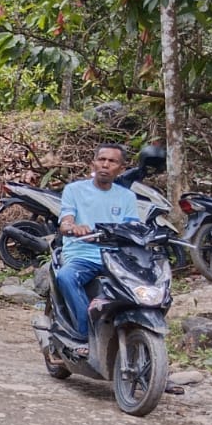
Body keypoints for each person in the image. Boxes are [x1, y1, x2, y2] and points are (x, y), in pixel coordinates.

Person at [55, 143, 139, 345]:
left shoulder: (127, 197)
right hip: (82, 255)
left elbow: (132, 227)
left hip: (115, 259)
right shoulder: (74, 190)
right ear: (94, 163)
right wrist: (72, 227)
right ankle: (86, 335)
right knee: (66, 277)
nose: (105, 165)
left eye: (112, 161)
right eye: (102, 159)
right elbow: (65, 221)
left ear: (121, 169)